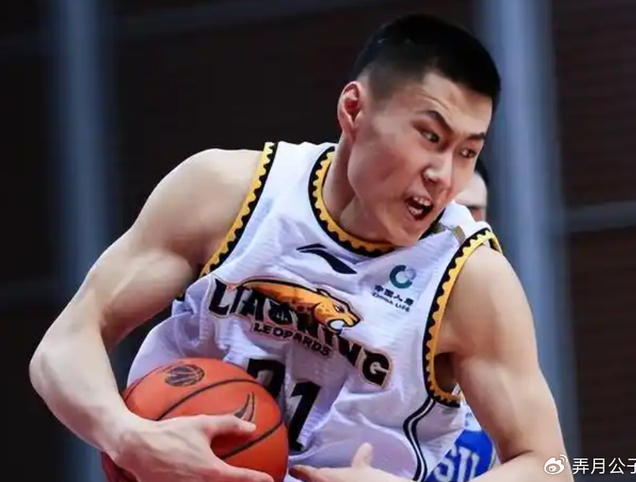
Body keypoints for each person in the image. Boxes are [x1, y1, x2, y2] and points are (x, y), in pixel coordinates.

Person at [29, 13, 572, 482]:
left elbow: (548, 464)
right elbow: (67, 341)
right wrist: (125, 435)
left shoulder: (472, 278)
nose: (443, 175)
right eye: (430, 136)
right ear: (354, 110)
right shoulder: (225, 193)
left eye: (466, 152)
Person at [427, 159, 496, 482]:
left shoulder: (500, 338)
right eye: (451, 210)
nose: (463, 226)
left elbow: (548, 467)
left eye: (474, 213)